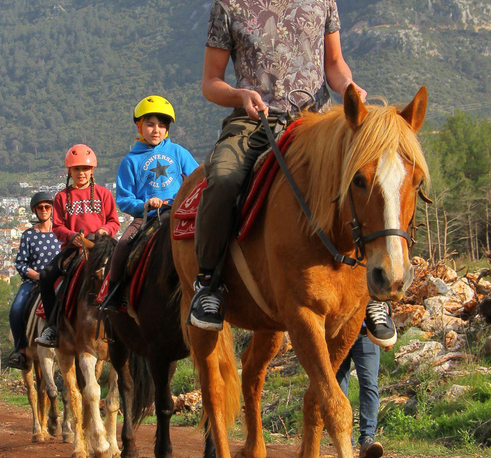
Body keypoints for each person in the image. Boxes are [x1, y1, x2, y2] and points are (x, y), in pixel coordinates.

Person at [187, 0, 395, 348]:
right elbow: (211, 83)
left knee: (372, 177)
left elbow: (333, 63)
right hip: (254, 123)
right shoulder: (228, 5)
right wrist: (239, 94)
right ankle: (208, 283)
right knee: (223, 178)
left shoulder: (322, 2)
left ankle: (372, 291)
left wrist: (347, 85)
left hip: (318, 121)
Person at [102, 95, 199, 312]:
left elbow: (197, 179)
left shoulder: (178, 152)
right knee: (124, 245)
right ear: (139, 126)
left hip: (178, 212)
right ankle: (114, 295)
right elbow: (124, 199)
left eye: (162, 125)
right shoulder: (130, 161)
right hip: (147, 217)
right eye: (150, 124)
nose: (156, 130)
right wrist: (145, 204)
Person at [36, 144, 120, 347]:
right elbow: (57, 227)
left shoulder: (103, 194)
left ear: (92, 171)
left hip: (100, 247)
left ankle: (125, 319)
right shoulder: (62, 197)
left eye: (85, 169)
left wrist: (105, 231)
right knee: (47, 276)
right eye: (76, 169)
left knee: (124, 270)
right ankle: (52, 327)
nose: (81, 173)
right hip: (74, 249)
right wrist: (72, 236)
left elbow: (114, 222)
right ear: (69, 171)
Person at [7, 192, 62, 370]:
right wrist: (38, 275)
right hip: (35, 281)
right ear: (35, 210)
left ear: (52, 209)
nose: (44, 210)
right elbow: (21, 263)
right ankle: (21, 351)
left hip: (59, 280)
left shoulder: (61, 232)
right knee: (15, 310)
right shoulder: (29, 235)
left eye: (47, 206)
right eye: (41, 207)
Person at [336, 331, 385, 458]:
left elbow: (381, 309)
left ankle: (368, 440)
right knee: (337, 388)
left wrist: (387, 330)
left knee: (369, 384)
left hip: (365, 334)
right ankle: (345, 441)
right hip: (336, 335)